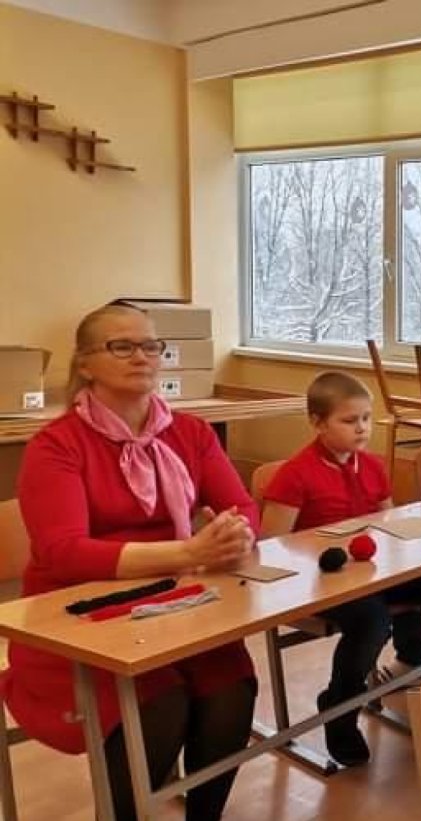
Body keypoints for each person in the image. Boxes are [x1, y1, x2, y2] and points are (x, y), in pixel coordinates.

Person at [3, 303, 257, 821]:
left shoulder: (191, 432)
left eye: (150, 345)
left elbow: (242, 507)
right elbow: (64, 552)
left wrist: (235, 534)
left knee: (231, 687)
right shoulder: (56, 445)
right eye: (122, 346)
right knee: (159, 704)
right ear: (85, 363)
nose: (141, 356)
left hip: (177, 605)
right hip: (72, 620)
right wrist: (189, 552)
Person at [259, 371, 421, 767]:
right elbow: (271, 547)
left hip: (373, 575)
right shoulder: (295, 474)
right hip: (323, 585)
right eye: (349, 420)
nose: (361, 428)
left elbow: (388, 526)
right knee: (372, 620)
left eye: (366, 419)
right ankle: (339, 707)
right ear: (317, 423)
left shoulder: (372, 466)